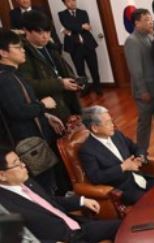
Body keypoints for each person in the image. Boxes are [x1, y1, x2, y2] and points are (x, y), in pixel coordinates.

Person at [0, 148, 121, 242]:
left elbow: (49, 202)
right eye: (17, 164)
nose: (24, 165)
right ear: (2, 175)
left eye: (21, 160)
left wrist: (81, 201)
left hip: (78, 228)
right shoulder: (3, 206)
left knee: (123, 226)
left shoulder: (26, 181)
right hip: (62, 239)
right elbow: (15, 239)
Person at [0, 28, 66, 194]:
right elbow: (19, 111)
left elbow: (25, 103)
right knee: (45, 187)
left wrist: (45, 115)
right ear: (3, 52)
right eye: (17, 47)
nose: (23, 50)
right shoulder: (5, 79)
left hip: (33, 139)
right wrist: (43, 105)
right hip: (28, 146)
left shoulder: (13, 74)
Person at [78, 106, 154, 205]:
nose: (113, 125)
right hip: (123, 190)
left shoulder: (117, 135)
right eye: (108, 123)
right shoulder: (87, 150)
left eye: (111, 121)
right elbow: (96, 177)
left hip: (140, 178)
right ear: (95, 128)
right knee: (153, 203)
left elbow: (136, 148)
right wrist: (123, 167)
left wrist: (140, 158)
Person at [18, 11, 82, 123]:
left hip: (65, 102)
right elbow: (28, 85)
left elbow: (63, 71)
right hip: (48, 110)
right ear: (26, 30)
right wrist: (60, 83)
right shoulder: (23, 54)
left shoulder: (50, 47)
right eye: (39, 32)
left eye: (48, 31)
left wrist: (74, 81)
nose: (45, 36)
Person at [124, 9, 154, 159]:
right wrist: (143, 90)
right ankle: (141, 153)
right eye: (146, 20)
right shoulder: (132, 41)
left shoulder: (150, 37)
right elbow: (135, 70)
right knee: (145, 124)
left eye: (151, 19)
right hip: (145, 92)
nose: (151, 22)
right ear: (137, 23)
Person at [58, 0, 102, 96]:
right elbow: (67, 25)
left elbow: (79, 26)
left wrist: (71, 29)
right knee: (80, 70)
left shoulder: (83, 12)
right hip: (74, 47)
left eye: (73, 0)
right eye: (69, 1)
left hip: (88, 45)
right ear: (65, 3)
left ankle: (98, 87)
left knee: (94, 67)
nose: (72, 3)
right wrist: (81, 26)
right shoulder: (62, 14)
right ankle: (84, 89)